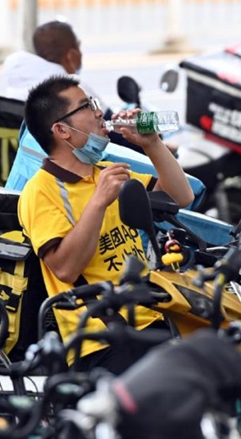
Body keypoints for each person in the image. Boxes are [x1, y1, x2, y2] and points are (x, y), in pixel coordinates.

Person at [18, 75, 194, 374]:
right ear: (62, 130)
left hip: (151, 316)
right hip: (102, 339)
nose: (100, 113)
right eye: (87, 106)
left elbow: (181, 196)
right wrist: (99, 202)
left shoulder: (104, 173)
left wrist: (152, 144)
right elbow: (64, 268)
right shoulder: (40, 191)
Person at [3, 20, 145, 153]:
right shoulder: (73, 86)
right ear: (72, 55)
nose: (98, 114)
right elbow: (117, 136)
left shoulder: (13, 90)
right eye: (86, 106)